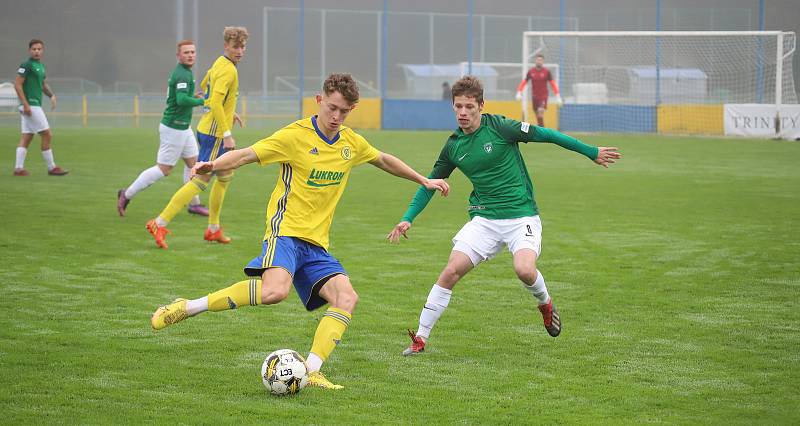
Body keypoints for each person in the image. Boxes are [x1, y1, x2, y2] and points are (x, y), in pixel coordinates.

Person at [149, 73, 449, 389]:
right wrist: (215, 164)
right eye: (332, 108)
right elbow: (249, 153)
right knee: (274, 292)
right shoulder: (295, 136)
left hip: (316, 243)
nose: (336, 117)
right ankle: (187, 307)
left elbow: (383, 159)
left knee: (346, 298)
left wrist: (423, 180)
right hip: (286, 232)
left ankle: (313, 369)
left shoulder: (350, 142)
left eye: (344, 111)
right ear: (319, 101)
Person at [389, 76, 620, 356]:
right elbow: (430, 184)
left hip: (521, 216)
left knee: (524, 270)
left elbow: (546, 134)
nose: (463, 112)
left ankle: (545, 303)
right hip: (484, 220)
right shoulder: (453, 146)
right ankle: (420, 339)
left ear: (481, 106)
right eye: (458, 106)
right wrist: (408, 218)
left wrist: (590, 151)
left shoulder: (500, 127)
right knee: (450, 272)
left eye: (469, 107)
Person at [145, 26, 248, 248]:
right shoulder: (229, 70)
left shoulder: (220, 63)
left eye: (243, 46)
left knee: (225, 176)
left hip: (210, 128)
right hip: (215, 134)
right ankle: (159, 222)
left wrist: (230, 112)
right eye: (235, 46)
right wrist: (227, 134)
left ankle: (213, 229)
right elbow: (217, 101)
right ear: (226, 46)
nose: (240, 51)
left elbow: (205, 86)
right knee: (201, 180)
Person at [117, 40, 209, 217]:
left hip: (183, 128)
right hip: (173, 128)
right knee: (164, 170)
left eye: (192, 52)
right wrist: (202, 101)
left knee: (193, 165)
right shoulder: (182, 74)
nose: (190, 55)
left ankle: (194, 204)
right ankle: (126, 194)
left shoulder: (186, 73)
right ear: (178, 55)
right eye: (186, 52)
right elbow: (181, 100)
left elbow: (181, 97)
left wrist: (193, 96)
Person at [13, 39, 68, 176]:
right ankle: (52, 168)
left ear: (42, 51)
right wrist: (25, 104)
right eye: (34, 49)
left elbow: (42, 84)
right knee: (47, 134)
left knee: (27, 136)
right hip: (31, 105)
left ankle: (18, 169)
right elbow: (17, 85)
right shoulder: (26, 65)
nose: (36, 51)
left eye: (39, 49)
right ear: (29, 50)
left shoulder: (41, 66)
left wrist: (52, 95)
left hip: (34, 105)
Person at [515, 53, 561, 128]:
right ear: (535, 61)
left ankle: (543, 130)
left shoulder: (546, 72)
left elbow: (552, 84)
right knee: (538, 116)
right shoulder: (531, 72)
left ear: (543, 62)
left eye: (541, 60)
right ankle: (541, 128)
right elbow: (524, 82)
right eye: (537, 60)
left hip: (543, 96)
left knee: (540, 112)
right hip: (534, 97)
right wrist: (519, 92)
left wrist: (558, 96)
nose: (539, 61)